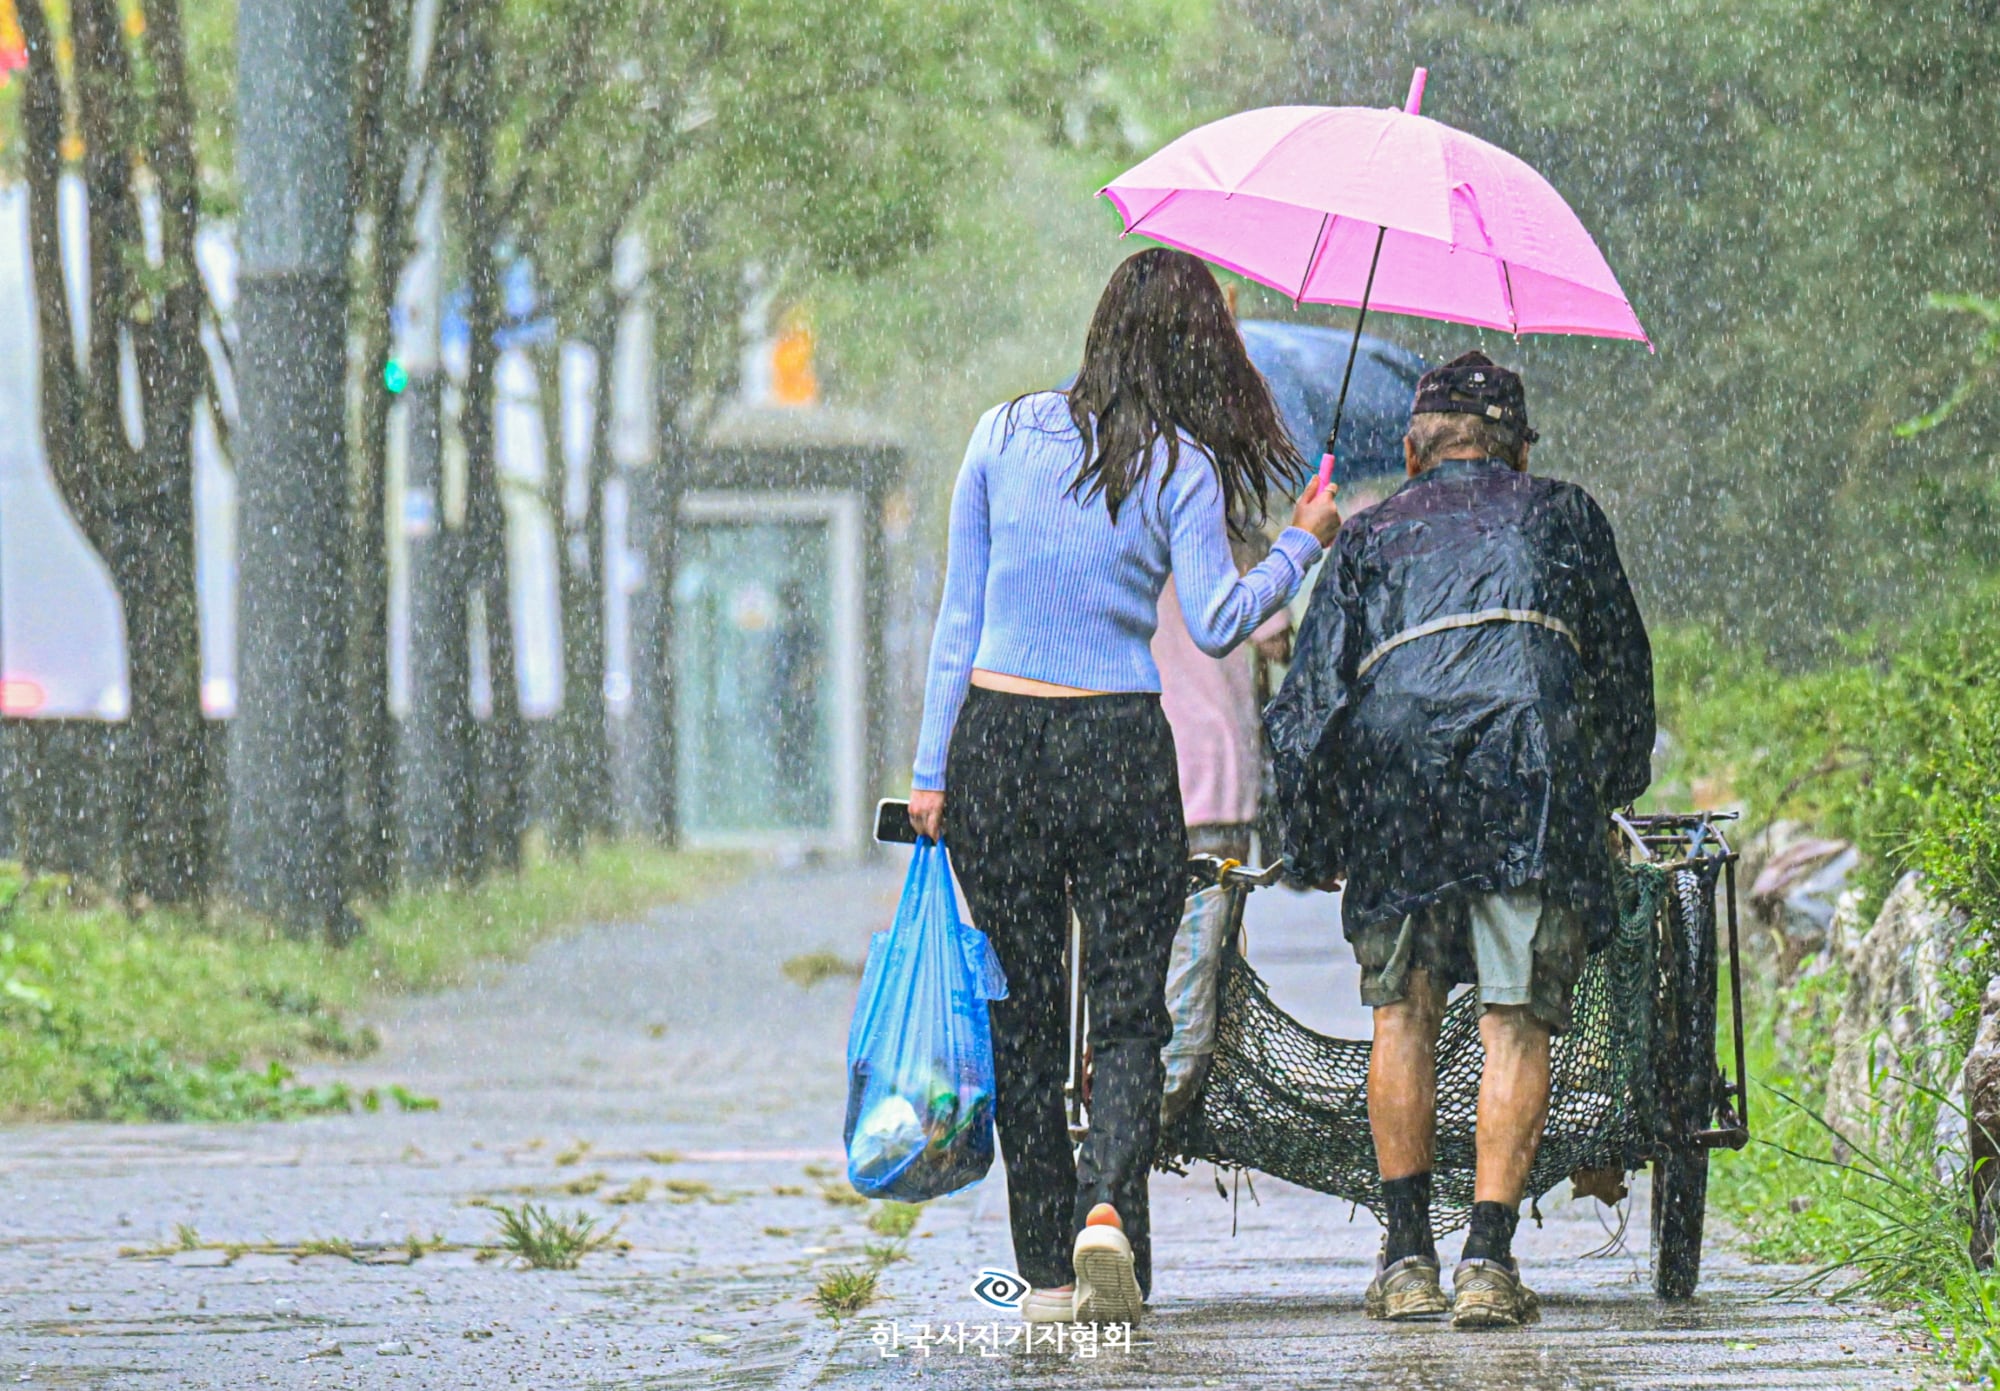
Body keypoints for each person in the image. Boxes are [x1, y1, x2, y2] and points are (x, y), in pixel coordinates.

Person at [907, 247, 1343, 1326]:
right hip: (1114, 745)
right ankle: (1106, 1202)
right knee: (1128, 1005)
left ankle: (1048, 1279)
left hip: (997, 744)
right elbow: (1216, 622)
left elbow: (956, 621)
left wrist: (929, 771)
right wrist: (1299, 543)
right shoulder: (1182, 467)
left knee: (1021, 1012)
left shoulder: (999, 434)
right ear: (1195, 352)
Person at [1265, 351, 1654, 1329]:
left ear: (1409, 449)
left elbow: (1306, 710)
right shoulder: (1562, 515)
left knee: (1403, 1013)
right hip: (1532, 774)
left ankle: (1404, 1259)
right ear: (1518, 450)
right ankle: (1484, 1258)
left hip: (1399, 787)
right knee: (1513, 1020)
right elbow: (1620, 679)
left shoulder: (1362, 540)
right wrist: (1602, 791)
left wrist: (1310, 839)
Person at [1151, 570, 1291, 865]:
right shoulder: (1230, 542)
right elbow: (1276, 643)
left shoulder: (1117, 539)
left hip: (1147, 767)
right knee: (1215, 901)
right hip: (1218, 763)